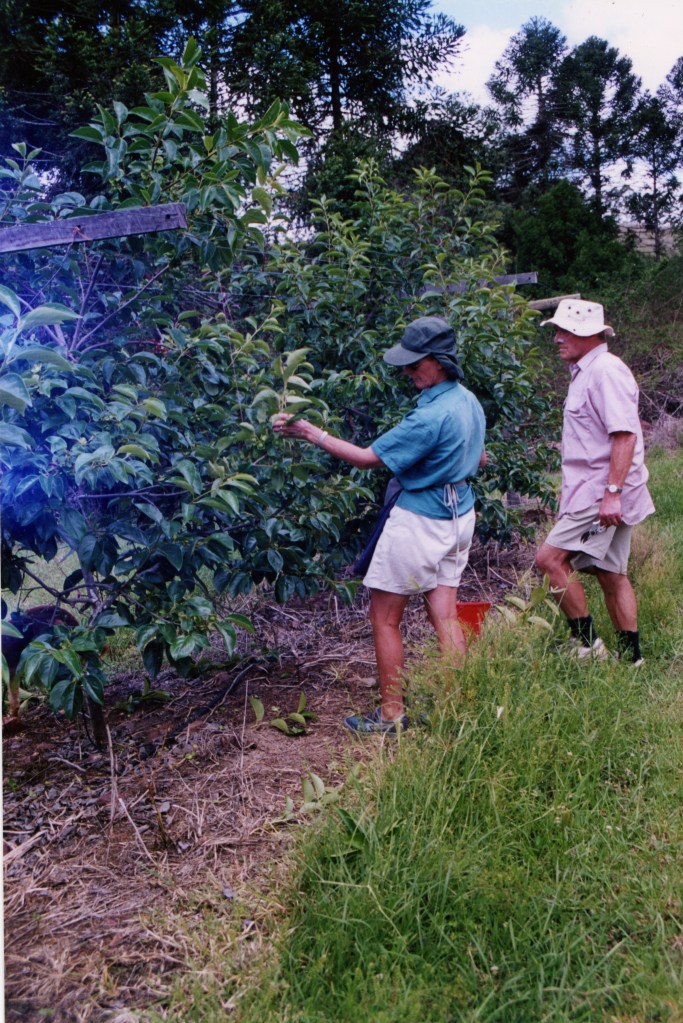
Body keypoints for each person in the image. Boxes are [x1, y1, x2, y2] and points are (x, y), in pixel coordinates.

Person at [272, 315, 486, 734]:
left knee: (384, 617)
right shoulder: (468, 401)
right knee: (444, 613)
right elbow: (478, 457)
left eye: (415, 363)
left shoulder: (429, 417)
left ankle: (391, 715)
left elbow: (369, 457)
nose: (407, 371)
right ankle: (460, 708)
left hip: (422, 520)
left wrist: (308, 431)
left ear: (440, 362)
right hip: (460, 515)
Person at [536, 298, 654, 664]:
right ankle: (631, 660)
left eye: (564, 331)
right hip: (601, 489)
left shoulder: (605, 371)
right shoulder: (588, 371)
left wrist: (612, 494)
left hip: (603, 491)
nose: (556, 338)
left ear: (587, 333)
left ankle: (588, 646)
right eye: (556, 330)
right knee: (610, 572)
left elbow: (625, 436)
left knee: (549, 559)